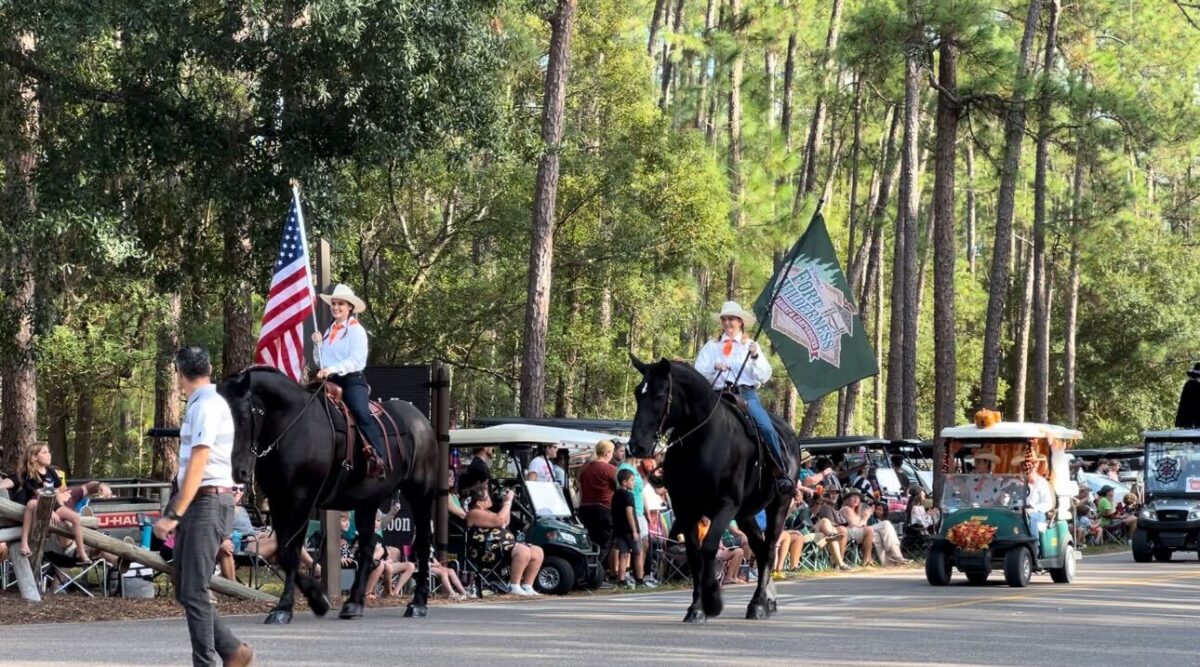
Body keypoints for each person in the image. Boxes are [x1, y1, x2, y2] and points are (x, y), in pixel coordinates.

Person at [153, 346, 253, 667]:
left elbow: (199, 460)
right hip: (201, 500)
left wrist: (174, 514)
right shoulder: (202, 403)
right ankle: (234, 651)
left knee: (194, 589)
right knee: (185, 585)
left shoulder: (206, 406)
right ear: (208, 369)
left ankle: (208, 663)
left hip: (207, 501)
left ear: (179, 373)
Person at [694, 300, 794, 495]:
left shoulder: (750, 345)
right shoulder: (711, 347)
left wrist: (755, 356)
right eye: (724, 319)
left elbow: (764, 375)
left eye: (731, 319)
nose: (727, 323)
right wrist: (714, 367)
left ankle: (780, 470)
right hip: (718, 396)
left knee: (765, 426)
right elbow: (699, 372)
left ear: (741, 322)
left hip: (745, 395)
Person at [311, 284, 385, 478]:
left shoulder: (357, 330)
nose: (335, 307)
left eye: (340, 304)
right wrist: (317, 345)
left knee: (360, 412)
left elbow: (356, 361)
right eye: (334, 303)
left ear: (349, 307)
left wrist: (331, 369)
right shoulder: (328, 331)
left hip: (351, 379)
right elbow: (320, 360)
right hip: (329, 380)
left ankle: (378, 457)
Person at [14, 441, 107, 562]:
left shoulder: (51, 472)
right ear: (34, 457)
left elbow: (57, 492)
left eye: (49, 452)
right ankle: (24, 542)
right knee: (30, 505)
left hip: (53, 503)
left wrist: (63, 512)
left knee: (75, 518)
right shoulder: (29, 474)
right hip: (37, 502)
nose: (49, 455)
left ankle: (81, 552)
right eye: (45, 452)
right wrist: (49, 512)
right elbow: (38, 494)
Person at [464, 485, 544, 596]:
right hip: (487, 550)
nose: (491, 498)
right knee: (523, 551)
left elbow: (505, 522)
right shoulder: (473, 513)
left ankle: (527, 586)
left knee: (537, 551)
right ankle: (514, 585)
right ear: (478, 502)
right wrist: (508, 502)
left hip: (503, 546)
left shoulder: (489, 512)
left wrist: (505, 503)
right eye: (488, 497)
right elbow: (499, 520)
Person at [577, 440, 618, 585]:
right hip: (603, 509)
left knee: (590, 542)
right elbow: (619, 488)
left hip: (586, 508)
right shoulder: (609, 469)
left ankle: (585, 572)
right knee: (606, 543)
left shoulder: (585, 468)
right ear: (607, 453)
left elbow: (580, 490)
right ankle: (595, 573)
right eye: (612, 452)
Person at [611, 469, 641, 588]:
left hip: (619, 529)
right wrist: (634, 530)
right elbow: (629, 512)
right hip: (629, 530)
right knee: (638, 553)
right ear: (624, 482)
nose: (633, 482)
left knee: (623, 554)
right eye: (632, 480)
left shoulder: (615, 495)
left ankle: (621, 580)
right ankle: (640, 579)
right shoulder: (628, 495)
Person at [1024, 463, 1055, 535]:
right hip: (1018, 511)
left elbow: (1048, 503)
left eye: (1029, 467)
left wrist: (1034, 509)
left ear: (1034, 468)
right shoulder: (1016, 481)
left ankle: (1034, 543)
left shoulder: (1041, 482)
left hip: (1037, 513)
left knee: (1028, 517)